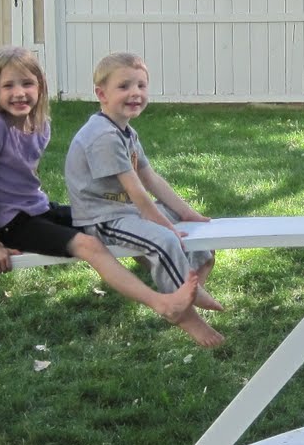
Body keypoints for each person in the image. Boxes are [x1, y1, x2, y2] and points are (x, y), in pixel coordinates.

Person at [0, 46, 211, 343]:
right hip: (10, 223)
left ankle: (181, 281)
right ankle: (164, 303)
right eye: (8, 85)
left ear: (41, 86)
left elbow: (22, 178)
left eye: (28, 84)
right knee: (90, 244)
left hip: (38, 209)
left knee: (116, 224)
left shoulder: (37, 124)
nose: (20, 93)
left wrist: (186, 214)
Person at [65, 52, 224, 347]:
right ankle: (185, 316)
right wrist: (167, 226)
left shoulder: (125, 131)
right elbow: (138, 192)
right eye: (124, 86)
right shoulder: (103, 136)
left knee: (202, 237)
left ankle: (190, 288)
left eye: (141, 85)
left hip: (126, 211)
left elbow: (151, 178)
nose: (135, 93)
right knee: (164, 240)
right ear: (101, 94)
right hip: (103, 218)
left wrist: (186, 213)